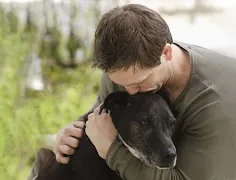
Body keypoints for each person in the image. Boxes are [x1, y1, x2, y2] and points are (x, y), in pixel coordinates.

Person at [28, 3, 236, 180]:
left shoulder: (215, 103)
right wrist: (67, 137)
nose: (130, 91)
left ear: (166, 53)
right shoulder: (128, 73)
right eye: (120, 82)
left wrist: (111, 150)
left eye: (139, 82)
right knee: (45, 157)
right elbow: (97, 127)